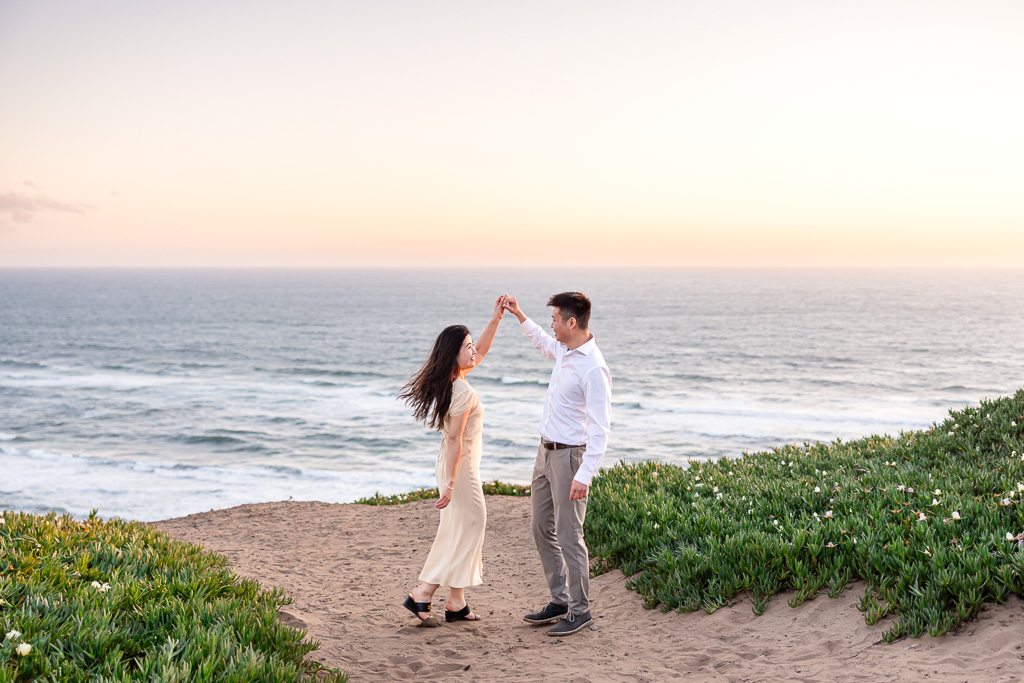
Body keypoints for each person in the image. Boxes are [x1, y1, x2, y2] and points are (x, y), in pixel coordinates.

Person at [501, 291, 611, 636]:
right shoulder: (563, 350)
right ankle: (560, 600)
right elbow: (542, 342)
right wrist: (519, 315)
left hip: (570, 457)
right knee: (539, 527)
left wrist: (585, 474)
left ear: (572, 322)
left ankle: (581, 611)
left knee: (569, 535)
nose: (552, 325)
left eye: (555, 319)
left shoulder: (593, 368)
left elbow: (601, 430)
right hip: (544, 454)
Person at [398, 297, 505, 624]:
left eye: (472, 345)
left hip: (452, 465)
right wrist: (450, 482)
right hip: (460, 469)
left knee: (459, 528)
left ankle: (456, 602)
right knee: (472, 525)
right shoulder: (462, 392)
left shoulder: (454, 380)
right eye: (468, 347)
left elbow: (483, 351)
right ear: (454, 353)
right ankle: (423, 593)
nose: (474, 352)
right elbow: (457, 439)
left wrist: (496, 319)